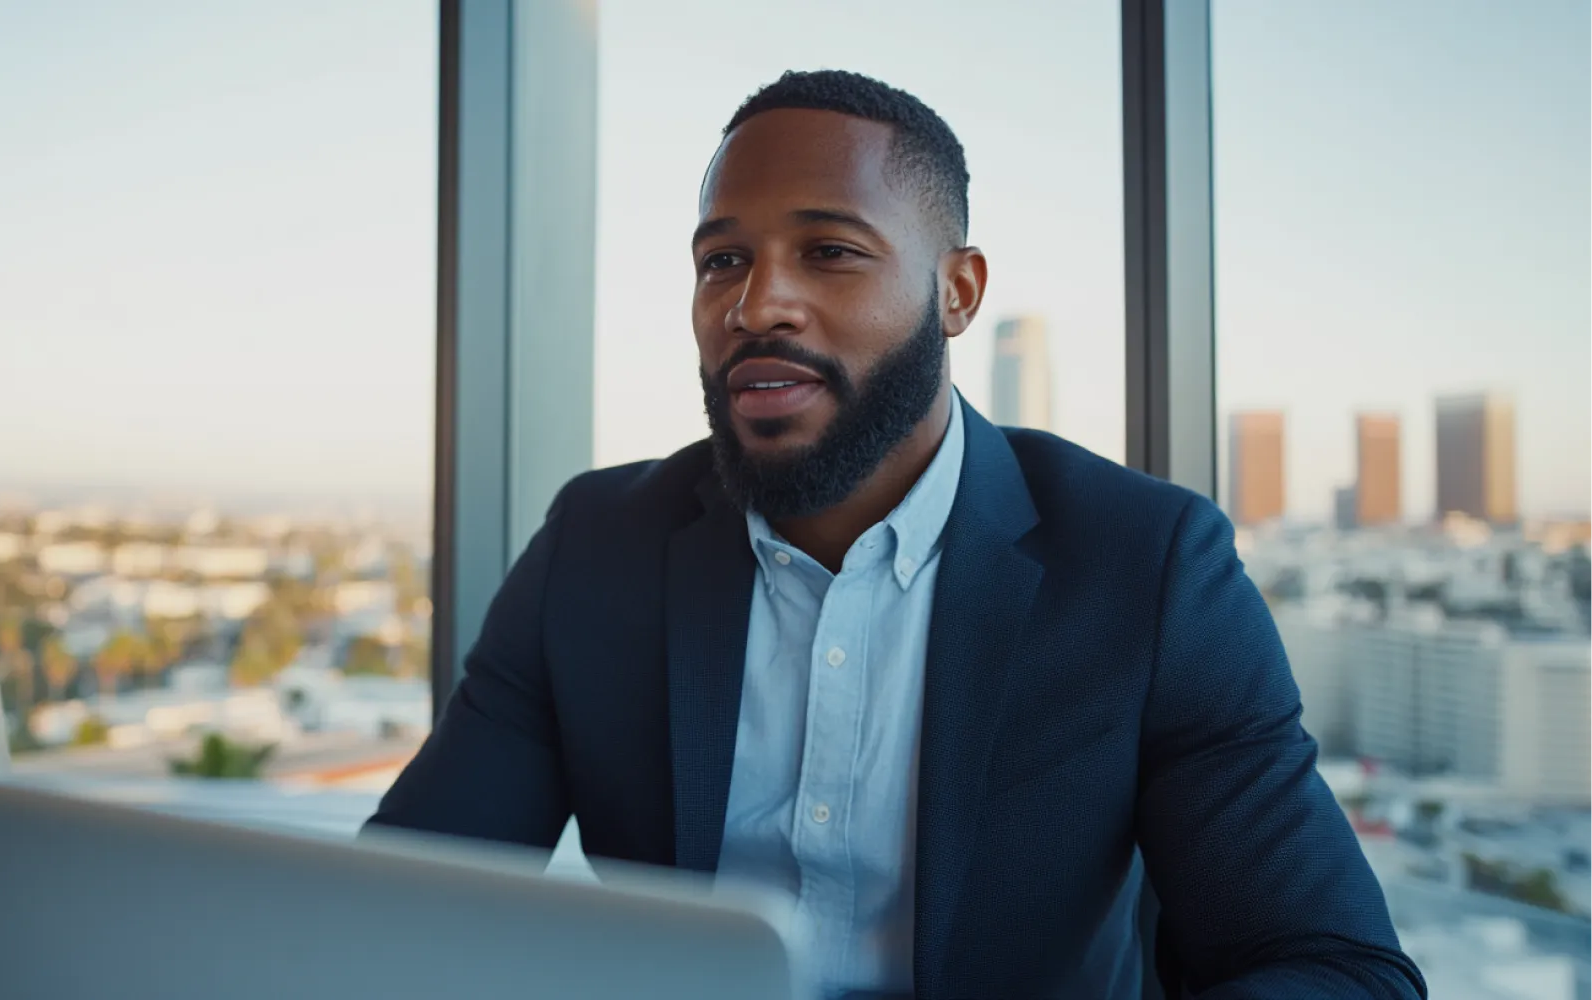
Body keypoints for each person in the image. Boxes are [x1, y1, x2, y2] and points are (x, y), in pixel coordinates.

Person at [366, 69, 1425, 1000]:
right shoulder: (594, 547)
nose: (756, 304)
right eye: (722, 260)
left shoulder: (1147, 568)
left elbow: (1339, 967)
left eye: (829, 251)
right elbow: (392, 912)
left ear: (956, 293)